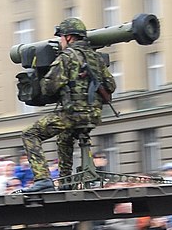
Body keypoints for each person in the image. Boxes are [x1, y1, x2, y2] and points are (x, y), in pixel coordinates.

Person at [20, 18, 115, 192]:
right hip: (93, 115)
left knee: (30, 134)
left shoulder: (67, 57)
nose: (61, 41)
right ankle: (65, 182)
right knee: (64, 137)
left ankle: (43, 179)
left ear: (69, 37)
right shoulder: (96, 58)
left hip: (73, 114)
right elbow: (111, 86)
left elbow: (48, 87)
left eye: (61, 38)